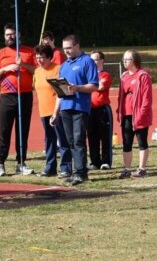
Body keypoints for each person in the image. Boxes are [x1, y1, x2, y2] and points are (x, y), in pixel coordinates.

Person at [0, 23, 37, 177]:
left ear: (19, 34)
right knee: (4, 130)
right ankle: (0, 164)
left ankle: (21, 163)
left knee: (23, 130)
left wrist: (23, 64)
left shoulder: (29, 52)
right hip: (7, 96)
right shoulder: (0, 53)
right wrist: (6, 69)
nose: (10, 37)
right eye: (7, 34)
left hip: (25, 95)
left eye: (13, 34)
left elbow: (38, 70)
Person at [51, 35, 99, 185]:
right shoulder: (64, 65)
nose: (66, 51)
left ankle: (81, 172)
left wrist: (77, 88)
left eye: (69, 48)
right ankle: (74, 171)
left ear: (77, 46)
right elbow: (60, 92)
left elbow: (94, 86)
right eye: (64, 49)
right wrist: (55, 112)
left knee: (78, 139)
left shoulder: (87, 61)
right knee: (70, 141)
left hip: (80, 107)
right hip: (65, 107)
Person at [33, 44, 72, 177]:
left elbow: (63, 91)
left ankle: (66, 167)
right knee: (49, 140)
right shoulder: (37, 71)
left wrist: (56, 112)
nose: (39, 60)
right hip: (43, 111)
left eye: (42, 57)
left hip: (58, 111)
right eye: (37, 57)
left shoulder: (58, 69)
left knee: (62, 139)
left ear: (50, 57)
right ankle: (50, 167)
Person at [117, 50, 153, 179]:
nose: (124, 61)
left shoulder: (143, 76)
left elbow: (147, 98)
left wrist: (141, 114)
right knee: (127, 142)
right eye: (124, 59)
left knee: (142, 141)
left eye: (127, 59)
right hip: (126, 114)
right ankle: (127, 169)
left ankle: (142, 169)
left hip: (139, 114)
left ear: (135, 61)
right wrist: (119, 111)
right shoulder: (124, 76)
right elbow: (121, 96)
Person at [87, 50, 113, 170]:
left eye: (95, 60)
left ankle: (106, 161)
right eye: (91, 60)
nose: (93, 62)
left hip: (102, 109)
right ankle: (95, 161)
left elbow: (101, 86)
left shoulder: (105, 74)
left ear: (101, 61)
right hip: (90, 109)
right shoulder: (88, 75)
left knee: (105, 136)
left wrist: (89, 86)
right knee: (92, 137)